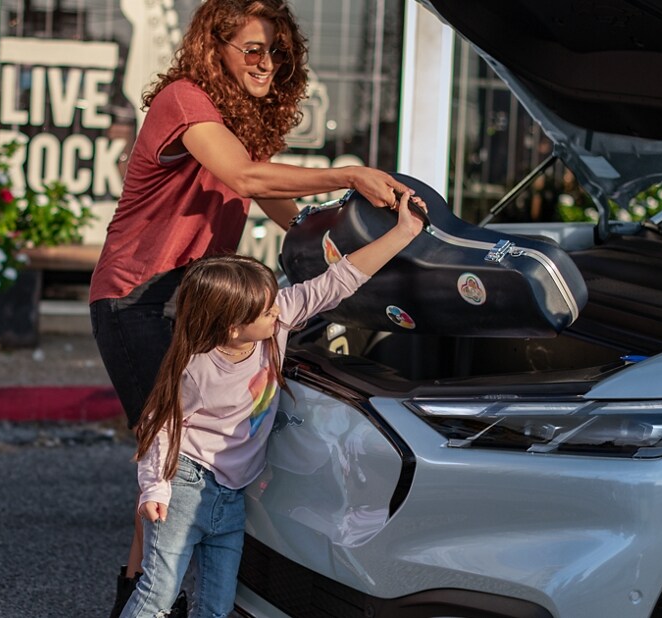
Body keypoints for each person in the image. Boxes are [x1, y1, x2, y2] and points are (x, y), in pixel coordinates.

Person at [88, 0, 412, 613]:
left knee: (186, 458)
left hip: (200, 301)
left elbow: (284, 213)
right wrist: (348, 175)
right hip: (139, 298)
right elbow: (246, 179)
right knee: (170, 455)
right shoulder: (185, 99)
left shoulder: (237, 120)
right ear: (216, 49)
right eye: (254, 49)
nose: (268, 63)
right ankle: (145, 601)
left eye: (278, 52)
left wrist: (343, 265)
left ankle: (161, 595)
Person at [121, 191, 426, 617]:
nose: (278, 312)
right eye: (265, 311)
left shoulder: (274, 320)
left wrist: (404, 232)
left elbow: (339, 280)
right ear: (231, 329)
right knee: (158, 595)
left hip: (231, 491)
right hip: (186, 486)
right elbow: (161, 424)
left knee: (217, 604)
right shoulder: (196, 367)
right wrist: (155, 487)